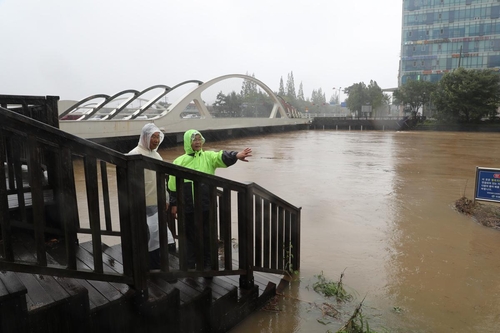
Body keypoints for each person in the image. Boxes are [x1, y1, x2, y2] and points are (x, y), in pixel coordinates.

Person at [168, 129, 252, 270]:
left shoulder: (208, 157)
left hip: (206, 205)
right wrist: (174, 204)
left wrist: (236, 155)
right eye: (194, 140)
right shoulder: (179, 161)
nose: (197, 142)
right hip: (187, 206)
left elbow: (221, 156)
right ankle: (189, 263)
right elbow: (172, 185)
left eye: (199, 139)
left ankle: (208, 263)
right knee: (188, 236)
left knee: (208, 235)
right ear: (188, 142)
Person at [127, 122, 174, 269]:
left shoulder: (157, 155)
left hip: (157, 202)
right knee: (146, 236)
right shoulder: (134, 155)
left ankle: (155, 265)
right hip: (142, 203)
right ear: (145, 137)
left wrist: (166, 198)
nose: (156, 140)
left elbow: (162, 180)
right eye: (153, 136)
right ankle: (146, 266)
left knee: (159, 236)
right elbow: (128, 183)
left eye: (158, 137)